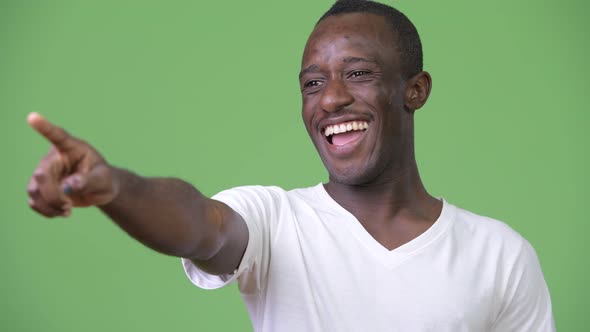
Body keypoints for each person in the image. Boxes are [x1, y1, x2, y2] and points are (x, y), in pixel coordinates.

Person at [26, 0, 555, 331]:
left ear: (414, 90)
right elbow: (198, 225)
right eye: (313, 83)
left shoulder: (501, 256)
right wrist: (115, 187)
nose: (329, 101)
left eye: (358, 73)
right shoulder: (274, 222)